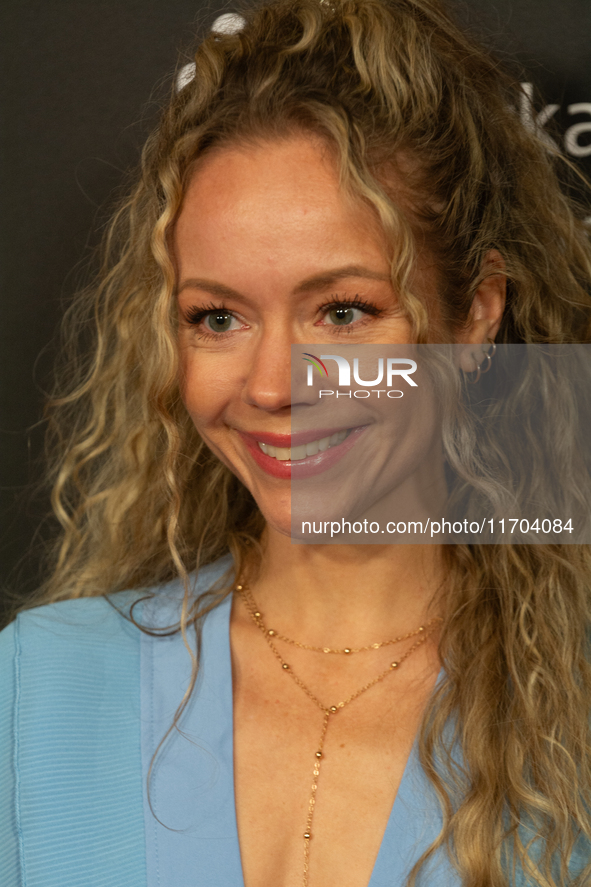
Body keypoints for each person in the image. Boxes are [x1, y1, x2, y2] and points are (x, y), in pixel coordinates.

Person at [1, 0, 590, 885]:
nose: (275, 385)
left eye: (342, 311)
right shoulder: (38, 687)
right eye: (218, 316)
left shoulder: (572, 713)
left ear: (474, 316)